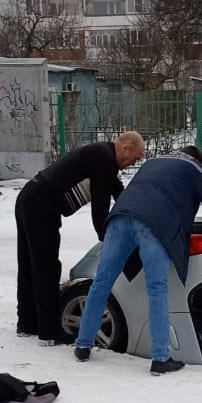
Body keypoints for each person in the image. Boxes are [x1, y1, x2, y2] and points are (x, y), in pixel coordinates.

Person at [74, 146, 202, 375]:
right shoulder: (195, 168)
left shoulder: (153, 163)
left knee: (102, 283)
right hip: (155, 225)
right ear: (199, 160)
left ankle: (83, 344)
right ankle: (160, 358)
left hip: (120, 217)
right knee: (156, 288)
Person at [16, 132, 145, 346]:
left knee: (30, 263)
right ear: (124, 148)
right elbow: (100, 204)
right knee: (45, 265)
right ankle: (48, 332)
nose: (134, 162)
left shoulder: (103, 155)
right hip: (40, 204)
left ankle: (27, 323)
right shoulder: (103, 158)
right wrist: (108, 239)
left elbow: (117, 191)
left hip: (30, 196)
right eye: (136, 157)